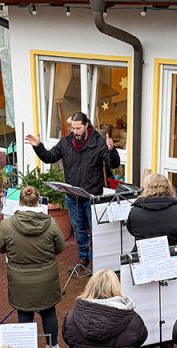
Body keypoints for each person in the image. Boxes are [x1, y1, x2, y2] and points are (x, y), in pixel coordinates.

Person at [26, 111, 119, 268]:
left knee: (96, 231)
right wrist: (38, 146)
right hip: (72, 196)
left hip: (91, 196)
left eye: (78, 129)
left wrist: (111, 150)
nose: (75, 132)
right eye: (73, 129)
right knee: (78, 230)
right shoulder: (66, 142)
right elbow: (50, 157)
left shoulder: (98, 142)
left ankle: (97, 260)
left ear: (86, 125)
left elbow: (113, 164)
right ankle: (84, 258)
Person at [125, 173, 177, 348]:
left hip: (144, 262)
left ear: (146, 187)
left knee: (143, 304)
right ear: (167, 187)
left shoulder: (136, 210)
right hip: (172, 262)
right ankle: (167, 346)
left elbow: (131, 229)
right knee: (171, 302)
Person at [0, 186, 66, 348]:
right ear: (38, 202)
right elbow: (60, 248)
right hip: (46, 277)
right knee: (49, 313)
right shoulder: (51, 223)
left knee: (24, 315)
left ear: (19, 202)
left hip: (20, 279)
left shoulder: (7, 225)